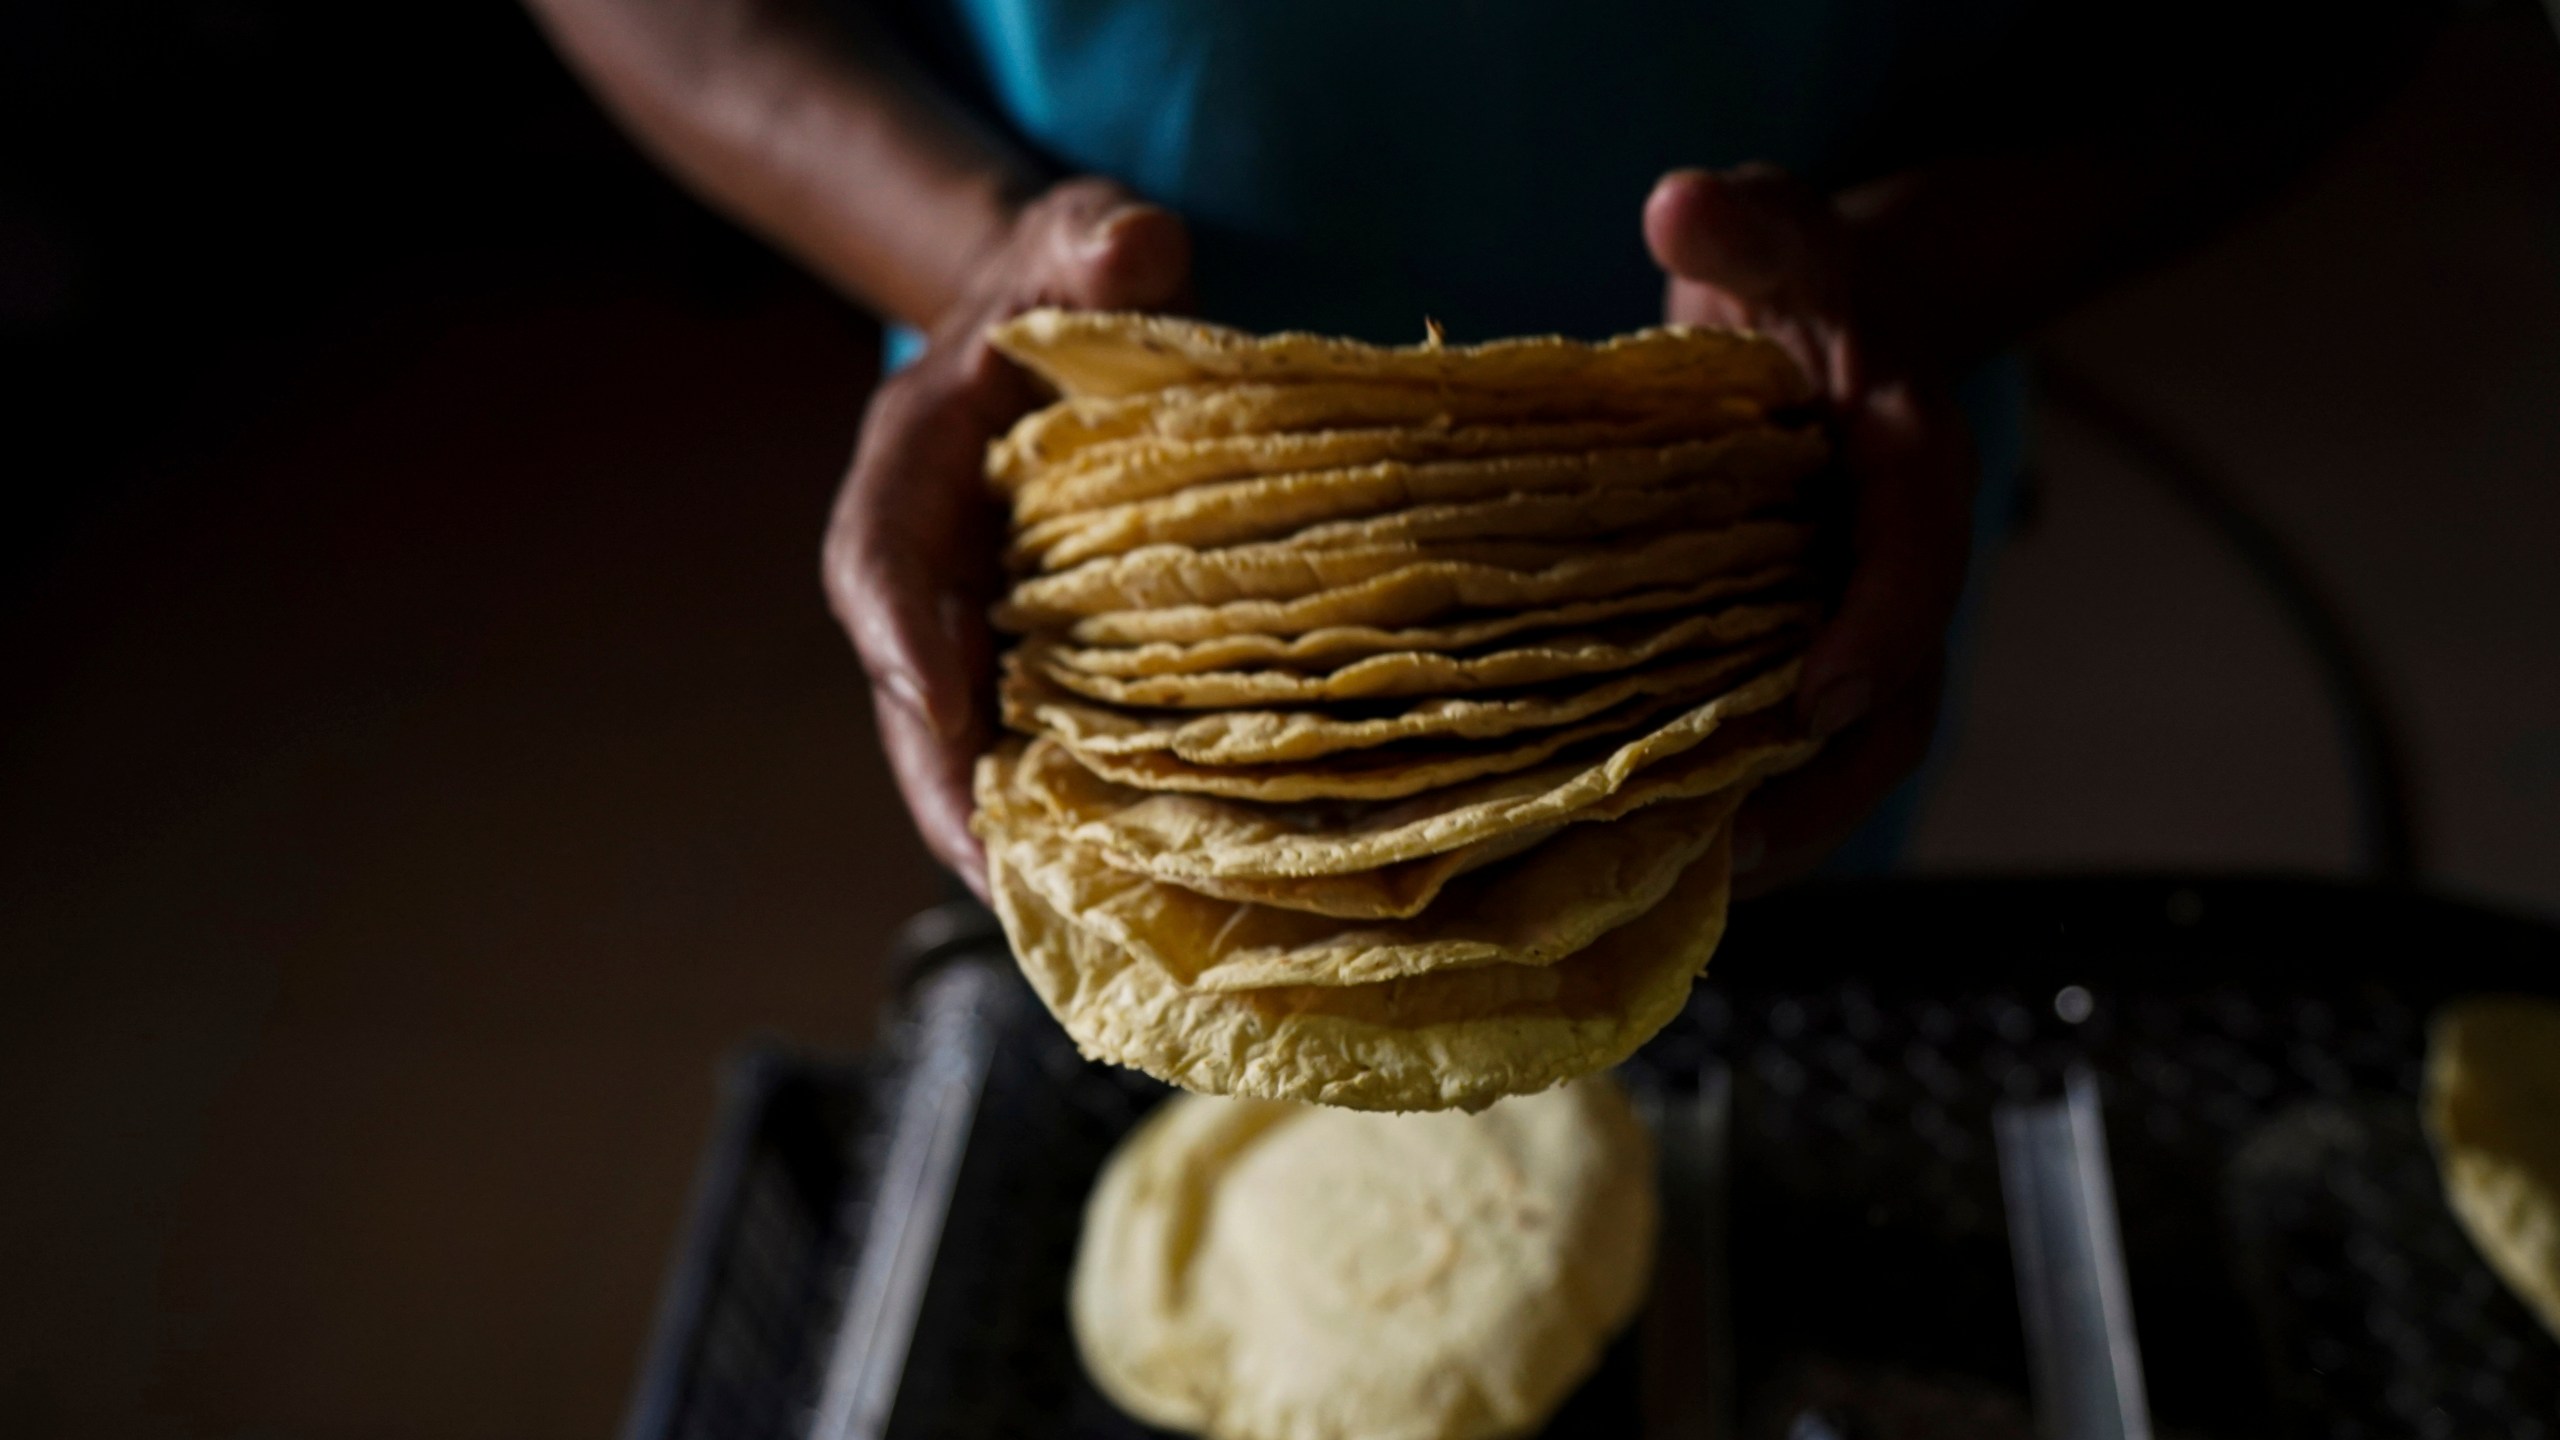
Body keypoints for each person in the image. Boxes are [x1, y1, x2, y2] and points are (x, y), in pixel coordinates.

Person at [525, 0, 2435, 900]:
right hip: (1097, 566)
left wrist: (1919, 277)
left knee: (1711, 1063)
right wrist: (970, 263)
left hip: (1765, 561)